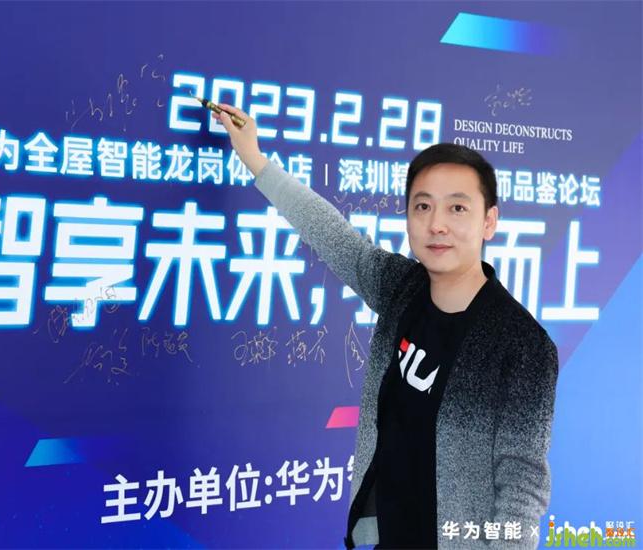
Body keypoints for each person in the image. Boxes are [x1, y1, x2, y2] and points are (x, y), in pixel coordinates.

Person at [213, 104, 559, 550]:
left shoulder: (522, 344)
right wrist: (255, 159)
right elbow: (333, 235)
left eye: (457, 208)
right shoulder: (402, 288)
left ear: (488, 221)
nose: (437, 225)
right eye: (423, 206)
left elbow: (522, 488)